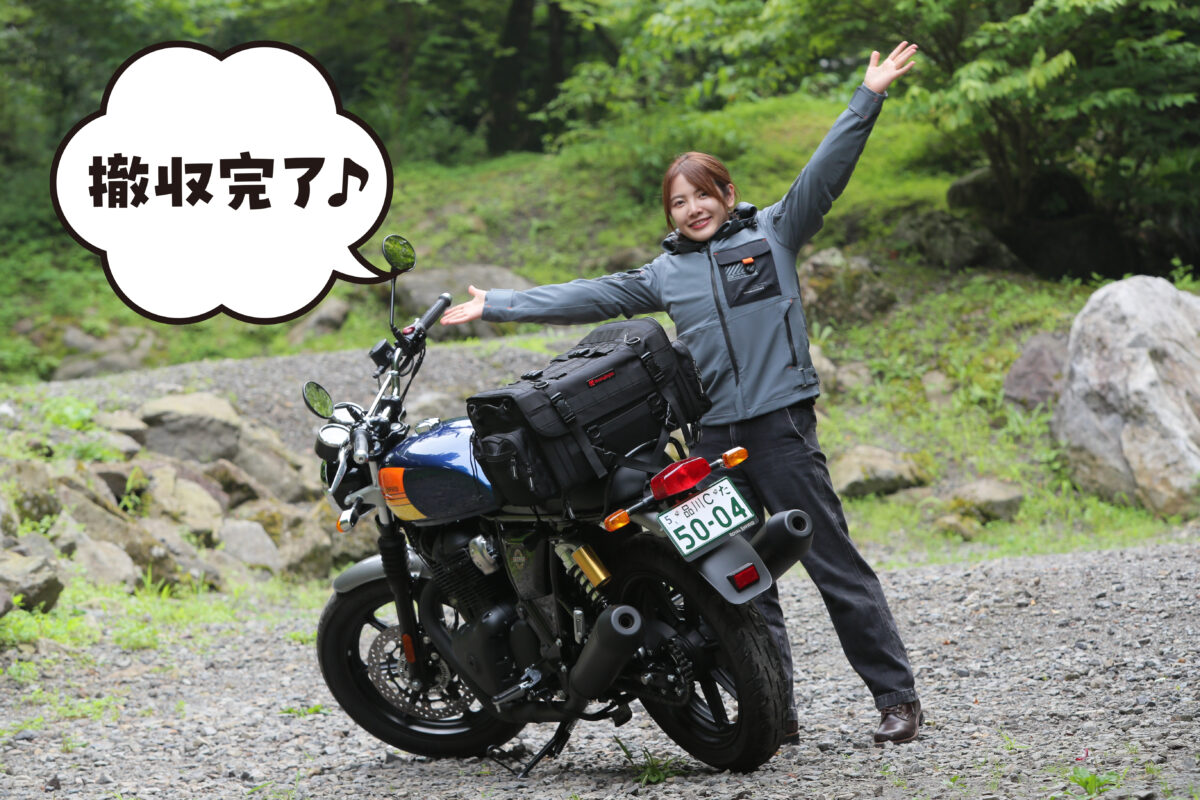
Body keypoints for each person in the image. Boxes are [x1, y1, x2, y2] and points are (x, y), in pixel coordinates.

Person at [441, 42, 923, 746]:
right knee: (740, 582)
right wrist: (500, 304)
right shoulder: (666, 276)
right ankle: (775, 711)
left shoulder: (774, 234)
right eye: (678, 201)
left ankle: (896, 699)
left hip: (781, 431)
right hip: (712, 442)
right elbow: (590, 296)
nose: (693, 208)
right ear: (669, 215)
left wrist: (867, 96)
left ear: (726, 195)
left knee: (833, 565)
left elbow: (826, 171)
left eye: (702, 194)